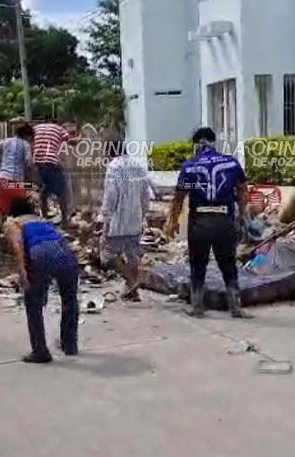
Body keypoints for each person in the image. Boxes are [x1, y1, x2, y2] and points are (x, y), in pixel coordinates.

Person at [164, 127, 250, 318]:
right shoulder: (231, 163)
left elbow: (179, 197)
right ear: (213, 142)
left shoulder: (190, 167)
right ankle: (235, 307)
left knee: (198, 264)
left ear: (196, 144)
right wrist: (243, 215)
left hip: (200, 222)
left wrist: (173, 221)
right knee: (228, 264)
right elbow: (243, 190)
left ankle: (197, 306)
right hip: (224, 221)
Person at [2, 197, 79, 363]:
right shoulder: (42, 221)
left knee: (33, 303)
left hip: (40, 252)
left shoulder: (13, 223)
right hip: (64, 252)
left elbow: (18, 245)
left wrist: (23, 272)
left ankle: (40, 351)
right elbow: (61, 238)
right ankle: (70, 344)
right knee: (70, 300)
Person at [100, 141, 156, 301]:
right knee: (132, 255)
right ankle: (134, 293)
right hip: (135, 219)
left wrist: (104, 216)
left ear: (109, 153)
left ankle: (131, 281)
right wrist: (142, 213)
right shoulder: (137, 165)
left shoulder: (113, 166)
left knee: (108, 255)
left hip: (117, 220)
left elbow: (111, 195)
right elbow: (146, 194)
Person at [32, 122, 74, 225]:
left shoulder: (35, 128)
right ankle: (65, 220)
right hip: (51, 161)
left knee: (43, 190)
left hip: (37, 162)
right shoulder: (59, 129)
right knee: (62, 191)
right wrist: (82, 139)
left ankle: (45, 218)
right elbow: (71, 141)